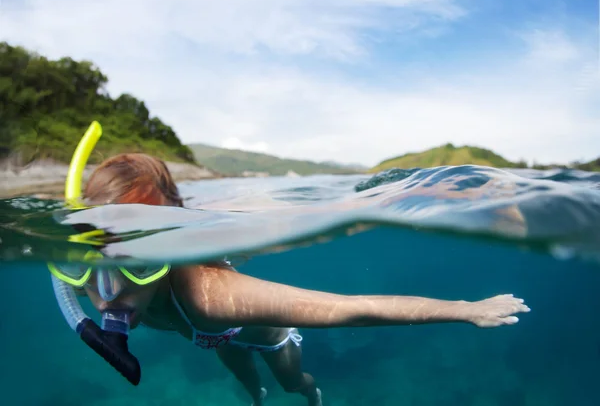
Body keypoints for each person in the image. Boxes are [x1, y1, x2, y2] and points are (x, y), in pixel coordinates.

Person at [51, 152, 530, 406]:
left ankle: (310, 395)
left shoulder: (212, 297)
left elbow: (351, 308)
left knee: (286, 383)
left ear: (168, 251)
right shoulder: (85, 268)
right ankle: (256, 398)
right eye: (89, 268)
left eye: (135, 267)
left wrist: (466, 311)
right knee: (245, 383)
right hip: (213, 340)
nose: (109, 296)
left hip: (261, 335)